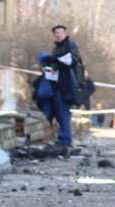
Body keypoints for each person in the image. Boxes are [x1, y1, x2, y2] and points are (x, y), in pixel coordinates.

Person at [47, 24, 83, 152]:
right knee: (59, 112)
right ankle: (62, 138)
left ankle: (65, 139)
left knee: (64, 112)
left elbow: (75, 60)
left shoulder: (70, 45)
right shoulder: (56, 47)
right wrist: (52, 67)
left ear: (64, 33)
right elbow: (55, 62)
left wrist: (61, 63)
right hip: (57, 84)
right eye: (56, 33)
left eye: (61, 32)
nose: (59, 35)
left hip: (67, 85)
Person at [33, 51, 71, 147]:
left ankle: (63, 140)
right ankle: (63, 140)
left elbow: (42, 93)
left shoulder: (51, 68)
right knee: (62, 118)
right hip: (56, 97)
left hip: (57, 96)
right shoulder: (56, 66)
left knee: (61, 117)